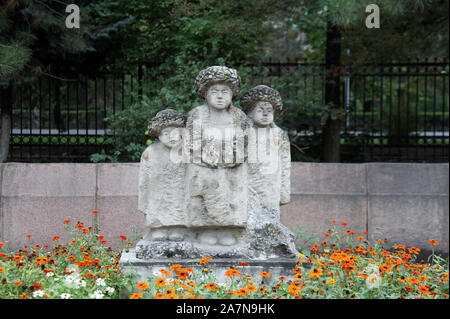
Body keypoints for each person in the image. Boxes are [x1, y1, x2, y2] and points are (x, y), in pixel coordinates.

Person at [185, 66, 250, 246]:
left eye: (225, 91)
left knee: (232, 199)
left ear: (232, 94)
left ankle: (228, 230)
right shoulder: (197, 115)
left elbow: (245, 142)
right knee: (206, 200)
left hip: (232, 169)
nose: (220, 96)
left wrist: (232, 158)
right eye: (215, 91)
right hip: (205, 168)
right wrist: (207, 158)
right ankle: (207, 230)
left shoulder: (238, 116)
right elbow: (191, 142)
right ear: (205, 94)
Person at [138, 109, 188, 242]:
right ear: (158, 135)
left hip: (179, 189)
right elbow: (144, 179)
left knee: (178, 207)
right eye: (166, 133)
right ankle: (158, 228)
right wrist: (144, 199)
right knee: (158, 208)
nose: (171, 137)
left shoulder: (188, 151)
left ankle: (178, 228)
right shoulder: (150, 152)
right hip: (158, 190)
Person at [240, 85, 291, 214]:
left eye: (269, 110)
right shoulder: (243, 133)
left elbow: (285, 165)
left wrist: (284, 192)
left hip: (271, 186)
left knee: (271, 215)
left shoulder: (279, 135)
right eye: (260, 110)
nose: (265, 113)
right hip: (248, 184)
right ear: (250, 113)